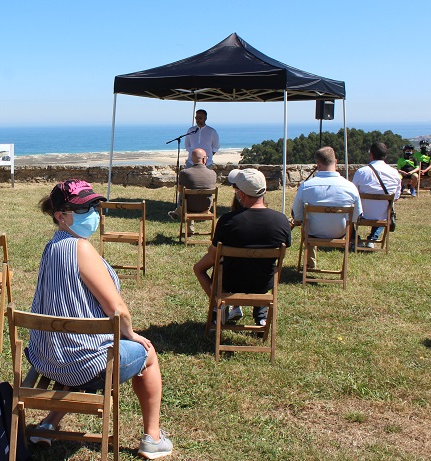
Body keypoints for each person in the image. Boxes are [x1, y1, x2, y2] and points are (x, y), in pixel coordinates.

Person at [28, 179, 172, 459]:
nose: (93, 213)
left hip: (47, 359)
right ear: (61, 216)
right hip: (83, 364)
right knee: (148, 353)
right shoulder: (80, 248)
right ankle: (153, 438)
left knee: (80, 343)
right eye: (83, 208)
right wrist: (131, 335)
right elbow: (117, 310)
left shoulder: (52, 248)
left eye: (94, 205)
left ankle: (48, 424)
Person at [193, 169, 291, 326]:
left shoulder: (228, 221)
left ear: (242, 194)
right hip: (264, 283)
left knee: (198, 268)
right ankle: (261, 317)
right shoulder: (281, 221)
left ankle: (220, 306)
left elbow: (213, 255)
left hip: (231, 282)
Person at [291, 146, 362, 269]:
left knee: (308, 222)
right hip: (339, 233)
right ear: (336, 162)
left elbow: (296, 215)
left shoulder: (306, 187)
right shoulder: (350, 187)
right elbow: (357, 217)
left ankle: (309, 263)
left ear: (318, 164)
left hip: (313, 233)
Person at [351, 142, 401, 247]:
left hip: (361, 215)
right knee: (385, 210)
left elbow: (353, 194)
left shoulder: (361, 172)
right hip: (382, 215)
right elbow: (395, 198)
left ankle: (355, 239)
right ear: (385, 156)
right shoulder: (394, 173)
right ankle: (372, 239)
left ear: (371, 154)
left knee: (348, 210)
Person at [168, 148, 217, 235]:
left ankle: (177, 212)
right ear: (203, 159)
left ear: (192, 159)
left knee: (186, 201)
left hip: (189, 207)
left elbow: (180, 190)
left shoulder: (185, 173)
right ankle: (179, 215)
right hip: (206, 207)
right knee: (192, 200)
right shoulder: (212, 173)